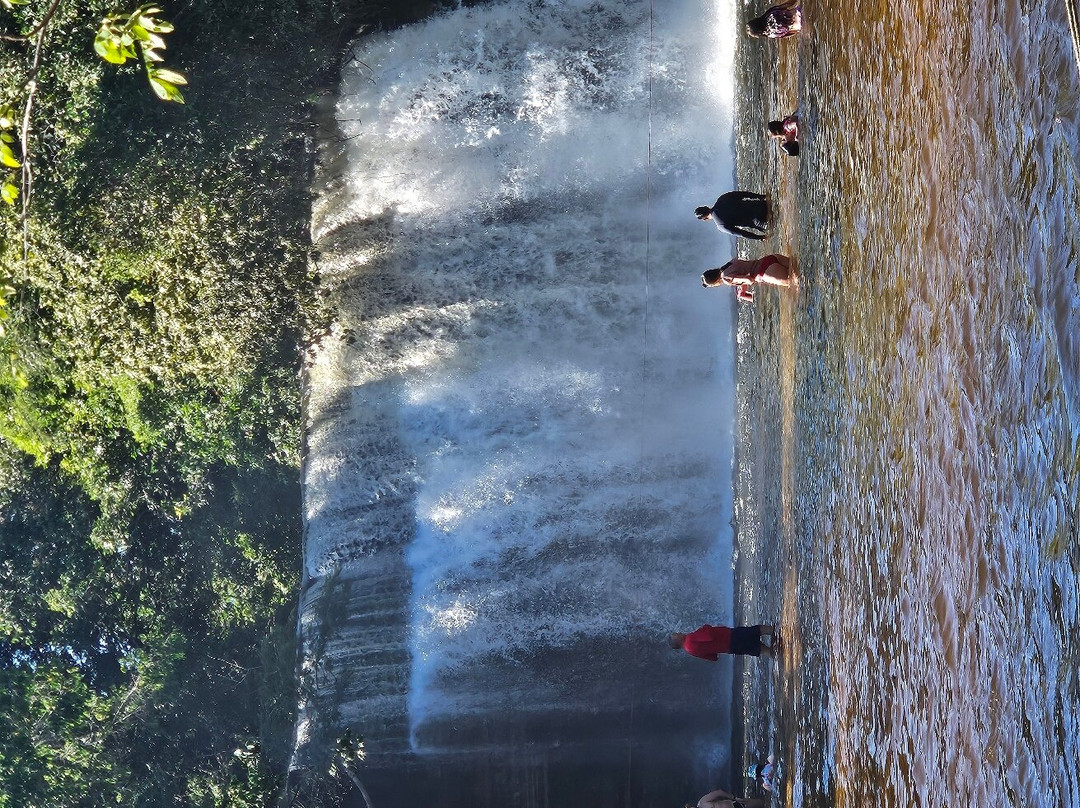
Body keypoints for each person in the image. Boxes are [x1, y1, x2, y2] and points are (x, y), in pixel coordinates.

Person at [701, 255, 791, 302]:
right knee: (799, 270)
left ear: (714, 282)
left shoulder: (726, 278)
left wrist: (742, 290)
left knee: (796, 283)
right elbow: (743, 270)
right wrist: (742, 284)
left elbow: (749, 280)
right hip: (769, 259)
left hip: (765, 271)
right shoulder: (729, 263)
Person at [668, 623, 781, 660]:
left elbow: (712, 658)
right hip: (729, 636)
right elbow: (708, 635)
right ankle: (780, 631)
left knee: (758, 649)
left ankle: (779, 656)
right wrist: (705, 627)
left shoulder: (690, 651)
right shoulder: (690, 639)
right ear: (677, 639)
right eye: (677, 634)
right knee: (757, 630)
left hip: (729, 648)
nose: (679, 632)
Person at [694, 191, 770, 240]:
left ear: (705, 219)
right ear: (706, 207)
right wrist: (762, 197)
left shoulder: (720, 225)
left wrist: (760, 238)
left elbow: (741, 233)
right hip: (762, 205)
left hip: (763, 222)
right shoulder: (722, 198)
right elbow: (743, 194)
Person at [686, 788, 770, 808]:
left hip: (736, 805)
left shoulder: (702, 802)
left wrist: (735, 798)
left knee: (764, 803)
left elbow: (719, 792)